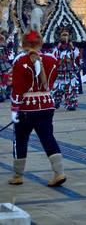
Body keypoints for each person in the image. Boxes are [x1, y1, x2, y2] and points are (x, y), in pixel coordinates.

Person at [8, 30, 66, 187]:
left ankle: (18, 175)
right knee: (48, 138)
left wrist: (14, 108)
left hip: (26, 107)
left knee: (20, 140)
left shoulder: (20, 61)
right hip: (47, 105)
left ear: (24, 44)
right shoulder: (52, 59)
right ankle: (59, 172)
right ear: (40, 43)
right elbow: (52, 81)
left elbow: (17, 89)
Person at [51, 29, 81, 111]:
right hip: (59, 73)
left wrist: (73, 48)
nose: (64, 44)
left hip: (70, 72)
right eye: (63, 42)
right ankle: (56, 101)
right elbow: (53, 57)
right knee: (57, 88)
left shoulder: (72, 50)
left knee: (71, 88)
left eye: (66, 42)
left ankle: (71, 104)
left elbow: (77, 57)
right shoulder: (56, 50)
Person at [0, 32, 14, 101]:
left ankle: (4, 93)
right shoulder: (3, 42)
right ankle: (3, 94)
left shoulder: (3, 42)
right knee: (4, 79)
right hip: (3, 62)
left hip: (3, 62)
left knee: (5, 78)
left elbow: (7, 51)